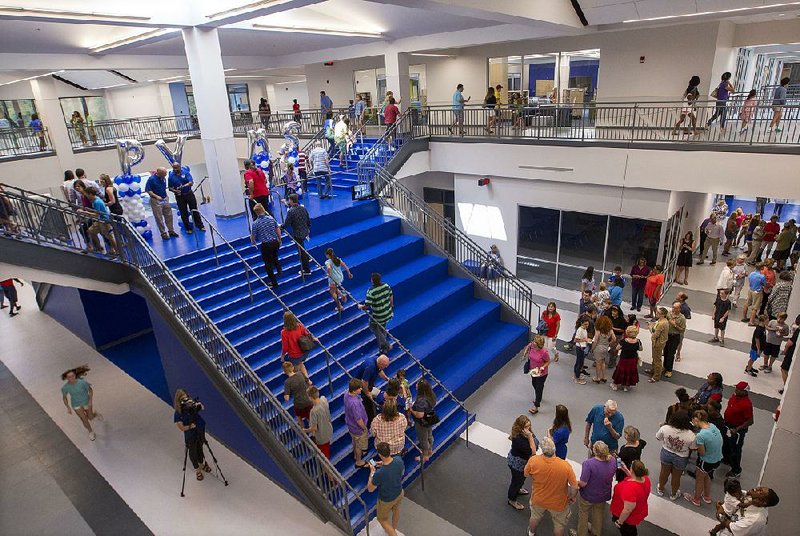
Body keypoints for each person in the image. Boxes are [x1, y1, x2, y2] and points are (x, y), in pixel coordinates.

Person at [524, 437, 579, 536]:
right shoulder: (565, 466)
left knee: (535, 517)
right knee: (559, 526)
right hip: (558, 503)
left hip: (538, 498)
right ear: (554, 449)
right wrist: (572, 496)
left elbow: (526, 473)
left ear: (542, 449)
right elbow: (574, 486)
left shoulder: (534, 460)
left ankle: (531, 533)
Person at [684, 409, 723, 507]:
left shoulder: (701, 436)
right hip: (717, 458)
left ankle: (696, 499)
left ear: (696, 419)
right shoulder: (712, 426)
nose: (692, 423)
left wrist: (693, 445)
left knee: (699, 479)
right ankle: (707, 496)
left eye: (692, 420)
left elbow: (702, 452)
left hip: (706, 461)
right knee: (707, 476)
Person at [577, 440, 616, 536]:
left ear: (595, 451)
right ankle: (596, 533)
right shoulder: (612, 461)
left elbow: (583, 483)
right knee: (598, 514)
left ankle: (582, 533)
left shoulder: (588, 464)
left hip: (588, 495)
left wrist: (575, 482)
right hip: (603, 495)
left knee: (583, 514)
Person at [655, 410, 696, 501]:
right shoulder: (691, 435)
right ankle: (673, 494)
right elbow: (693, 448)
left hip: (666, 452)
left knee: (664, 472)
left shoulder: (665, 428)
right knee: (676, 476)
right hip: (681, 457)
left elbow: (658, 437)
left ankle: (661, 489)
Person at [367, 442, 405, 536]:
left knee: (382, 519)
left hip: (387, 499)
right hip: (399, 492)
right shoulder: (398, 459)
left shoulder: (380, 473)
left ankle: (392, 533)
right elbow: (398, 470)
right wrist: (383, 463)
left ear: (380, 454)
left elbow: (370, 489)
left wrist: (372, 473)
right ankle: (393, 529)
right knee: (396, 510)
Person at [173, 388, 211, 481]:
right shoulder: (178, 413)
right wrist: (190, 427)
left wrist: (198, 405)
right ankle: (197, 469)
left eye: (186, 398)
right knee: (193, 450)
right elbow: (181, 427)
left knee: (200, 446)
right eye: (183, 399)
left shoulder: (191, 405)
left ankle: (202, 464)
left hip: (200, 428)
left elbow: (202, 407)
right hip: (190, 433)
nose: (186, 401)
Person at [713, 486, 780, 535]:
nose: (756, 488)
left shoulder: (755, 519)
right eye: (760, 488)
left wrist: (720, 512)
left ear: (763, 502)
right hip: (730, 525)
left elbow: (731, 527)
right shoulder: (752, 498)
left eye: (760, 491)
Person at [610, 460, 651, 535]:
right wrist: (625, 470)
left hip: (627, 518)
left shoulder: (630, 489)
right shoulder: (645, 479)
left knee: (628, 532)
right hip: (638, 510)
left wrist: (620, 522)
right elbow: (635, 478)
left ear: (633, 470)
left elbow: (627, 510)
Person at [61, 365, 101, 441]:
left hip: (86, 402)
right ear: (66, 378)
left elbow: (90, 391)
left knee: (90, 417)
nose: (72, 378)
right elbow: (64, 397)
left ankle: (95, 414)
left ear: (75, 375)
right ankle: (90, 432)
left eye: (73, 376)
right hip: (76, 405)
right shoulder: (65, 387)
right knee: (84, 419)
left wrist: (90, 401)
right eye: (69, 377)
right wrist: (68, 407)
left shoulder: (82, 383)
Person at [722, 381, 753, 478]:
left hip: (737, 430)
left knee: (735, 450)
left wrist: (737, 429)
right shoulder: (734, 396)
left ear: (744, 392)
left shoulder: (747, 404)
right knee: (726, 444)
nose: (736, 390)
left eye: (738, 389)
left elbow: (750, 421)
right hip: (728, 425)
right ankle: (726, 460)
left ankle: (736, 470)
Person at [507, 415, 538, 510]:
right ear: (520, 427)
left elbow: (536, 442)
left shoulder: (527, 433)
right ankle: (512, 499)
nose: (528, 429)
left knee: (522, 478)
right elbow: (533, 452)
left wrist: (530, 437)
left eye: (529, 426)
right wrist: (530, 437)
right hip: (517, 463)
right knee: (516, 481)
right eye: (526, 427)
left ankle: (518, 489)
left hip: (524, 462)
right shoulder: (518, 439)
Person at [359, 273, 394, 354]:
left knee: (373, 326)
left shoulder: (371, 291)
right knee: (382, 329)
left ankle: (386, 345)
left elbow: (367, 305)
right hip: (387, 312)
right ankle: (383, 349)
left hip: (378, 315)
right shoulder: (386, 286)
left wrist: (360, 306)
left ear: (372, 280)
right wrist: (391, 306)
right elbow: (391, 296)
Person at [167, 163, 205, 234]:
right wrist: (175, 191)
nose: (175, 170)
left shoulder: (186, 173)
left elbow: (191, 182)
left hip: (189, 193)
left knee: (194, 210)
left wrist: (183, 186)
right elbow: (170, 188)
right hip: (179, 196)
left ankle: (200, 225)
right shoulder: (171, 176)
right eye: (174, 168)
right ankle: (188, 228)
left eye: (176, 168)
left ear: (179, 167)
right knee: (183, 212)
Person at [251, 203, 281, 288]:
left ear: (256, 213)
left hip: (266, 245)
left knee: (267, 264)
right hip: (274, 242)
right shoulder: (271, 219)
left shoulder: (255, 223)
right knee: (275, 256)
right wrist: (279, 238)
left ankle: (273, 282)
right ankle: (279, 269)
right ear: (263, 209)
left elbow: (253, 235)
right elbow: (277, 228)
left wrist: (253, 242)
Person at [280, 312, 315, 381]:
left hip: (295, 355)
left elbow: (285, 347)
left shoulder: (284, 332)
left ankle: (304, 383)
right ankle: (309, 381)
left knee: (296, 371)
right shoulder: (300, 326)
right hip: (304, 351)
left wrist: (283, 356)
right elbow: (307, 334)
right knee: (301, 364)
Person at [281, 194, 312, 275]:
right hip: (305, 231)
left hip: (297, 233)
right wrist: (308, 228)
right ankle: (307, 257)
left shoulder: (291, 211)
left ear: (291, 200)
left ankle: (306, 269)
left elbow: (286, 223)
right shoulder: (303, 208)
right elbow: (308, 220)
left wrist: (281, 227)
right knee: (302, 247)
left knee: (301, 251)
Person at [82, 187, 118, 255]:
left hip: (104, 221)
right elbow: (98, 211)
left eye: (87, 194)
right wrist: (90, 210)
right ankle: (98, 247)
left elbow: (96, 214)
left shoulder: (97, 202)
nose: (86, 196)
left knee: (109, 237)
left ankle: (117, 251)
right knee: (90, 231)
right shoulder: (96, 199)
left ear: (90, 194)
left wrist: (85, 213)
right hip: (99, 220)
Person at [145, 167, 178, 240]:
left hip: (164, 198)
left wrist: (166, 196)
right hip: (156, 200)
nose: (165, 175)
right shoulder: (151, 179)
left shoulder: (163, 178)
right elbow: (148, 190)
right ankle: (163, 233)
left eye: (165, 174)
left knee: (169, 215)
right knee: (159, 217)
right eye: (163, 174)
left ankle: (171, 231)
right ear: (158, 173)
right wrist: (156, 196)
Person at [358, 354, 390, 425]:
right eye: (385, 366)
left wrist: (386, 378)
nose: (386, 367)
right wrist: (367, 393)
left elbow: (379, 370)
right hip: (362, 385)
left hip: (370, 382)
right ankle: (371, 422)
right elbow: (364, 381)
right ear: (380, 363)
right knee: (368, 404)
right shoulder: (370, 367)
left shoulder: (377, 359)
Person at [344, 377, 370, 468]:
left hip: (350, 425)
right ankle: (358, 461)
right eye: (359, 388)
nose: (361, 389)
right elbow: (358, 420)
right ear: (354, 390)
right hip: (357, 428)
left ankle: (356, 455)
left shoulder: (347, 394)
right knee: (359, 445)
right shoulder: (354, 403)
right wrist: (364, 428)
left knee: (355, 441)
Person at [410, 378, 436, 463]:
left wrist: (411, 410)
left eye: (417, 384)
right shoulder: (430, 394)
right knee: (429, 434)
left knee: (423, 438)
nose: (416, 385)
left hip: (422, 422)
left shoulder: (421, 400)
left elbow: (419, 415)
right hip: (430, 416)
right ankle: (430, 449)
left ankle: (425, 456)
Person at [525, 335, 551, 415]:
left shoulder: (544, 352)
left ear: (539, 344)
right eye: (533, 341)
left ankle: (536, 406)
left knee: (539, 388)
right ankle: (538, 396)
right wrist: (525, 353)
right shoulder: (531, 346)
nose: (533, 343)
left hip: (542, 373)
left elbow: (548, 361)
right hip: (533, 370)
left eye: (535, 342)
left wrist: (543, 367)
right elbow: (528, 347)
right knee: (534, 384)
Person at [282, 361, 313, 426]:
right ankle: (314, 432)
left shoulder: (287, 382)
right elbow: (310, 382)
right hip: (308, 400)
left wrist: (286, 394)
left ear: (284, 371)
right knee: (310, 418)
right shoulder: (300, 373)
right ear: (292, 367)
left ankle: (303, 432)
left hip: (298, 403)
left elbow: (287, 398)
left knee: (299, 418)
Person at [611, 325, 640, 392]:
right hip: (633, 359)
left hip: (624, 359)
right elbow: (640, 349)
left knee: (620, 371)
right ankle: (625, 386)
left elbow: (617, 348)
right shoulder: (638, 341)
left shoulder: (624, 341)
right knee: (629, 372)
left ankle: (615, 384)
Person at [324, 248, 353, 312]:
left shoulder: (328, 262)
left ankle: (339, 305)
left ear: (328, 255)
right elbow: (345, 266)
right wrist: (349, 273)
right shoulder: (338, 259)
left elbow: (328, 268)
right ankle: (342, 295)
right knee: (334, 288)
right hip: (340, 277)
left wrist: (328, 274)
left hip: (333, 278)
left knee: (332, 292)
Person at [662, 302, 686, 378]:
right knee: (665, 351)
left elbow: (682, 330)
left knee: (671, 353)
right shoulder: (669, 314)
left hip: (675, 336)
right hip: (667, 335)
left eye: (675, 308)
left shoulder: (682, 318)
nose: (673, 309)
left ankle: (669, 370)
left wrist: (674, 325)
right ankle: (665, 366)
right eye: (673, 307)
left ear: (679, 309)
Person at [646, 307, 669, 383]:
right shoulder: (661, 321)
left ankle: (656, 376)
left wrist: (650, 327)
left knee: (657, 360)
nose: (656, 313)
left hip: (658, 343)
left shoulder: (662, 323)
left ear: (663, 315)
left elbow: (655, 334)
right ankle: (653, 370)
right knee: (654, 357)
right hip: (659, 342)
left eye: (658, 313)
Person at [591, 316, 615, 383]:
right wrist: (609, 343)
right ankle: (604, 377)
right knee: (603, 362)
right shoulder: (610, 330)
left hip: (598, 348)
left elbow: (595, 341)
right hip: (606, 347)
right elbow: (614, 339)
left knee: (598, 363)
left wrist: (592, 348)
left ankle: (597, 377)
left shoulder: (598, 331)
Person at [573, 317, 591, 385]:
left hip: (582, 346)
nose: (587, 326)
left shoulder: (584, 329)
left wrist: (586, 339)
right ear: (581, 323)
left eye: (587, 324)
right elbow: (576, 340)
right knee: (580, 363)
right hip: (580, 348)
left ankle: (576, 375)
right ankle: (577, 378)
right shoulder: (580, 330)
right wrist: (585, 340)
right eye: (585, 324)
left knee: (578, 362)